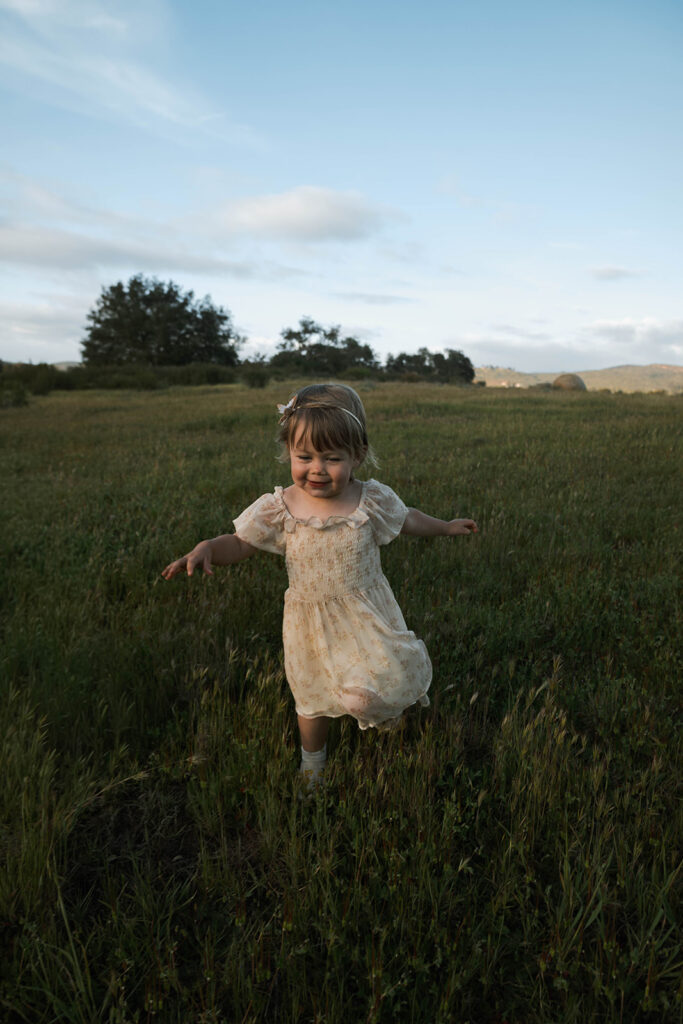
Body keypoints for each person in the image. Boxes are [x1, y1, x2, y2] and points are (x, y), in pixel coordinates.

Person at [162, 383, 478, 787]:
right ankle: (313, 763)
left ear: (357, 456)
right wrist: (207, 547)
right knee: (310, 698)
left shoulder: (369, 500)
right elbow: (241, 542)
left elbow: (409, 519)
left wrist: (447, 527)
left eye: (332, 458)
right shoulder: (280, 507)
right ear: (288, 453)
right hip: (308, 622)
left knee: (370, 687)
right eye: (304, 456)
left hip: (364, 614)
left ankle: (386, 711)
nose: (316, 469)